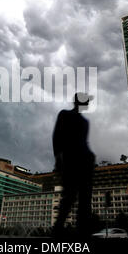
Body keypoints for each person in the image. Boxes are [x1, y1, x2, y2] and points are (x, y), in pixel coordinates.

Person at [52, 92, 96, 237]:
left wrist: (91, 156)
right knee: (69, 197)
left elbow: (84, 142)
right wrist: (58, 159)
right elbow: (57, 137)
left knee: (85, 199)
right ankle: (58, 229)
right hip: (70, 162)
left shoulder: (85, 122)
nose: (88, 105)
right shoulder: (65, 114)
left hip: (85, 163)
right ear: (79, 103)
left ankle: (83, 232)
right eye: (86, 102)